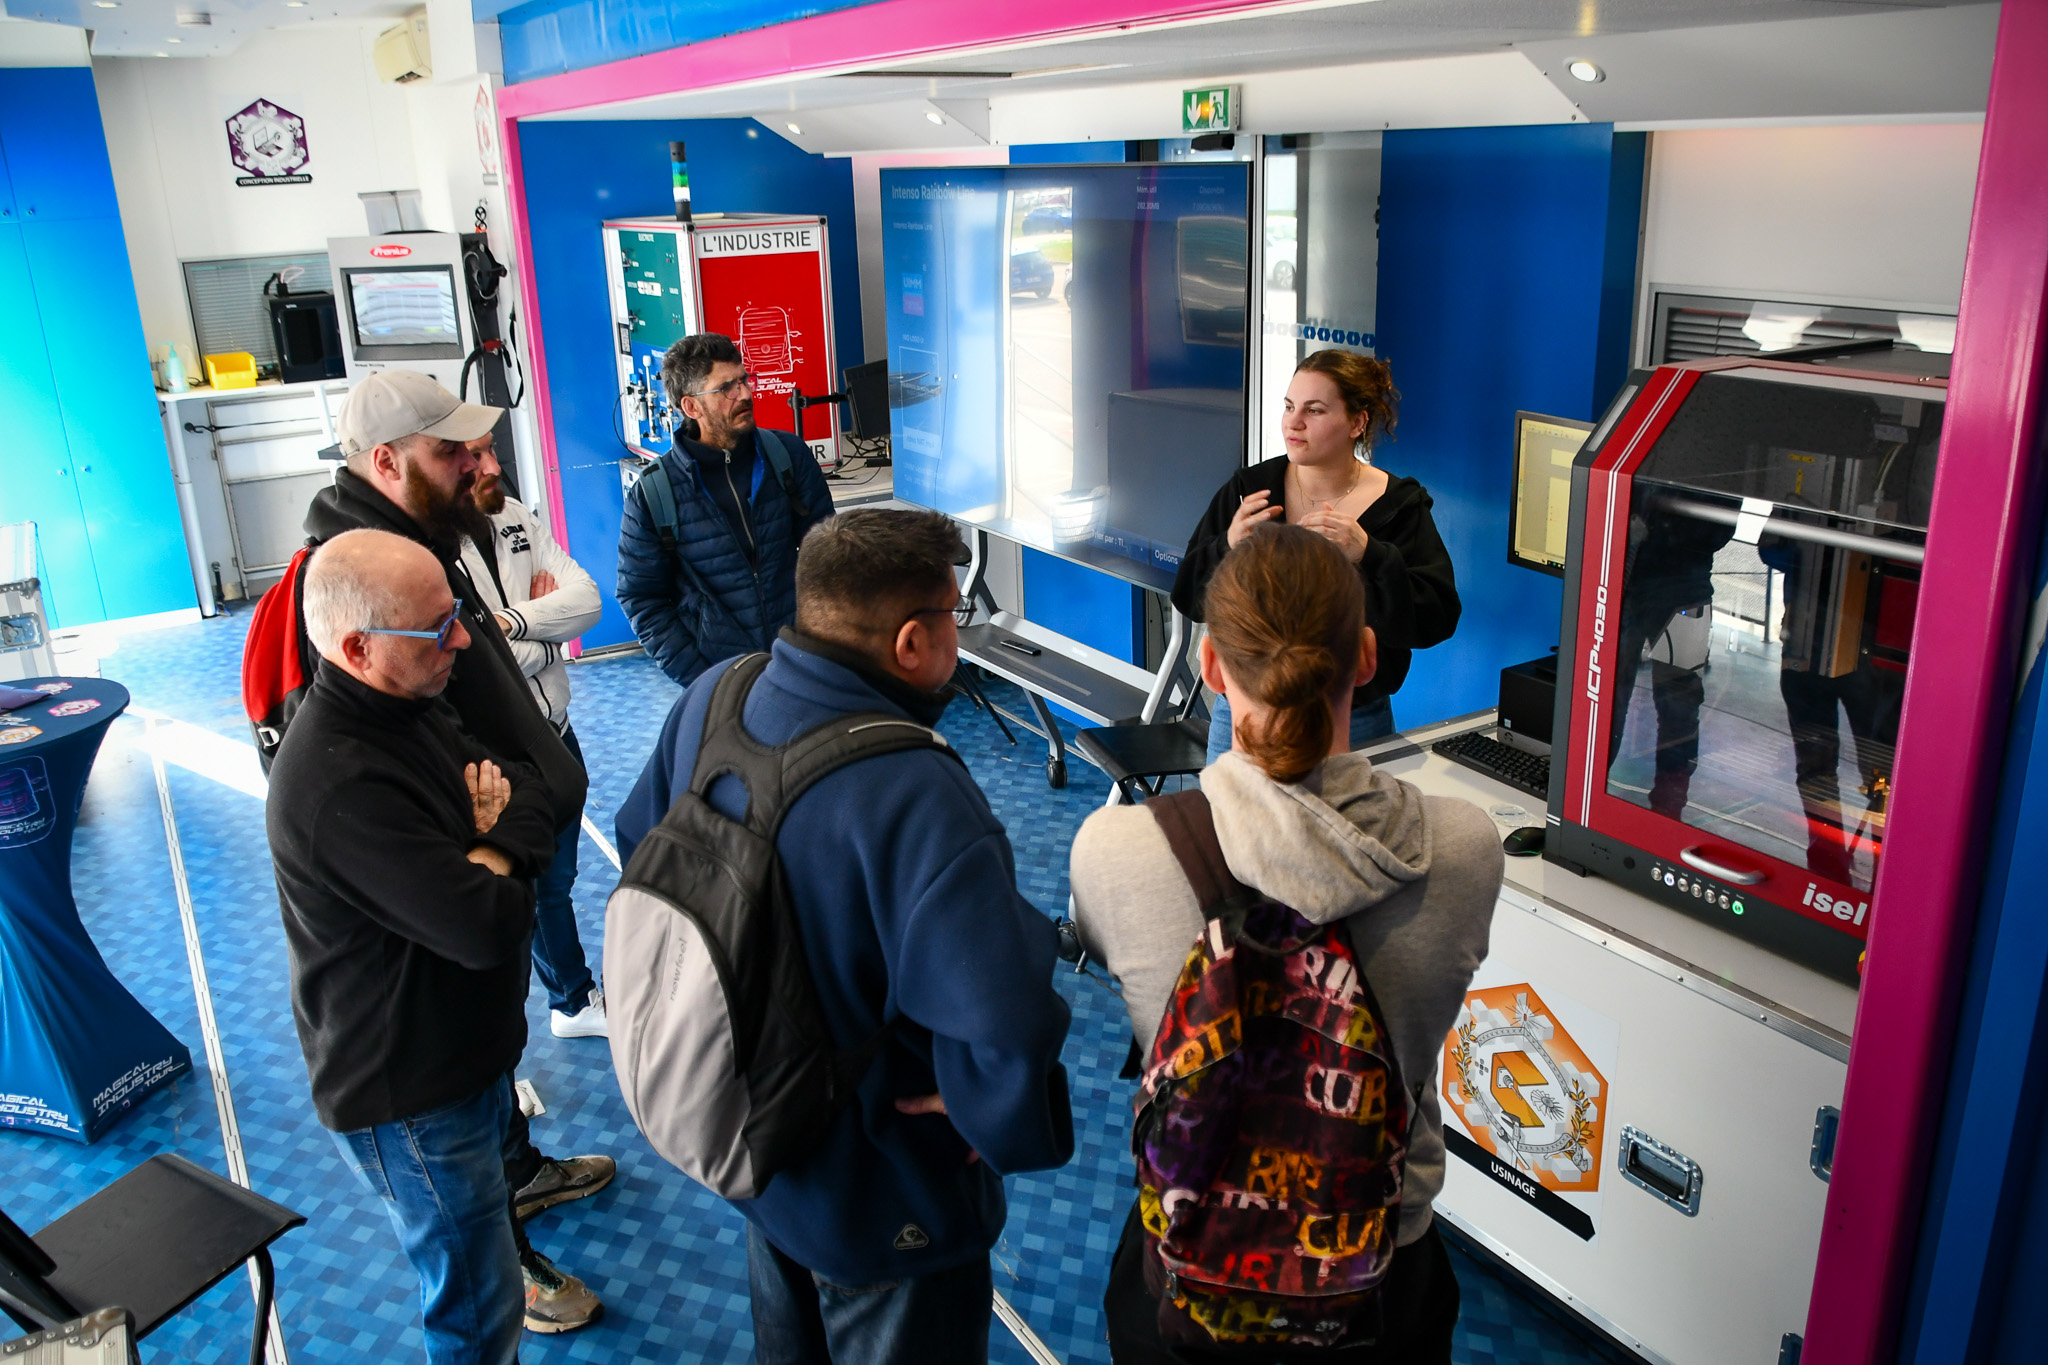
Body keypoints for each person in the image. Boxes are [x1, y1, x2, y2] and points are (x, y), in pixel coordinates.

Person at [617, 507, 1076, 1365]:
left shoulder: (714, 696)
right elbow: (1006, 1015)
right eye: (954, 614)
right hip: (881, 1193)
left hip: (758, 1148)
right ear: (912, 642)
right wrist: (988, 1111)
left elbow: (640, 843)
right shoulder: (916, 791)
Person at [1072, 523, 1500, 1364]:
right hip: (1382, 1269)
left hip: (1190, 1265)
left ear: (1210, 667)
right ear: (1367, 657)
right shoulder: (1463, 849)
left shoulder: (1114, 847)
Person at [303, 370, 612, 1333]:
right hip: (413, 1014)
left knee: (484, 1069)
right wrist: (496, 842)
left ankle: (513, 1172)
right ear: (385, 462)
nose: (478, 464)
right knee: (463, 1255)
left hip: (470, 970)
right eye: (451, 451)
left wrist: (508, 822)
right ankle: (504, 1255)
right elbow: (439, 883)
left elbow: (496, 774)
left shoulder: (431, 549)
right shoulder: (357, 593)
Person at [266, 529, 568, 1365]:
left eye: (455, 613)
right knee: (477, 1307)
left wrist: (486, 849)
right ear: (357, 647)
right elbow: (486, 927)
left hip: (467, 1058)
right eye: (437, 628)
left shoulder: (411, 703)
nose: (463, 639)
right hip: (414, 1097)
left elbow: (532, 787)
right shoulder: (338, 784)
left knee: (487, 1266)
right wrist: (494, 845)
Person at [1173, 349, 1460, 763]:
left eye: (1314, 410)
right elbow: (1188, 597)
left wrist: (1369, 554)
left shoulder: (1399, 506)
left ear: (1357, 423)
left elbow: (1437, 619)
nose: (1294, 422)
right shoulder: (1251, 490)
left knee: (1350, 808)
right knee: (1232, 808)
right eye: (1289, 406)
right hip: (1245, 708)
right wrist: (1227, 546)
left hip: (1351, 716)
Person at [459, 436, 608, 1040]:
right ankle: (571, 1001)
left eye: (492, 450)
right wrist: (551, 638)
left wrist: (513, 622)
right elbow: (468, 664)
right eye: (475, 456)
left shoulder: (513, 516)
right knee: (538, 885)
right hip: (500, 749)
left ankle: (569, 995)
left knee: (559, 878)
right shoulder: (428, 552)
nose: (494, 467)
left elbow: (588, 601)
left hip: (556, 731)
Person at [616, 332, 836, 688]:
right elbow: (641, 597)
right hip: (724, 681)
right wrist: (702, 680)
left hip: (804, 662)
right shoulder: (654, 493)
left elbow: (830, 557)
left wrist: (825, 645)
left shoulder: (787, 457)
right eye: (726, 388)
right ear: (691, 407)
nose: (745, 394)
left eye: (744, 380)